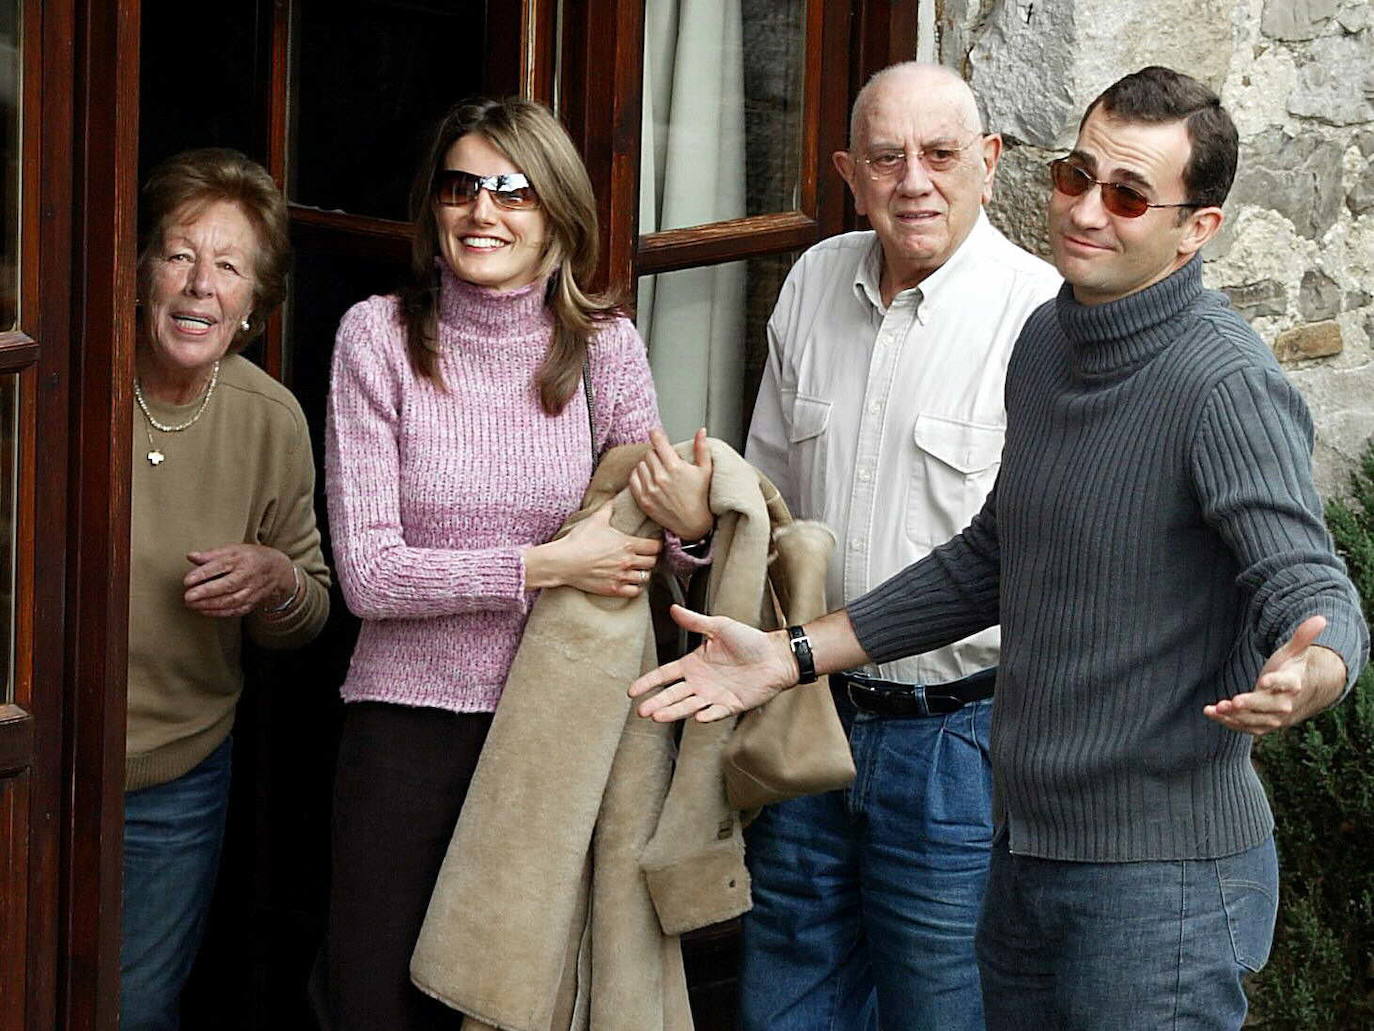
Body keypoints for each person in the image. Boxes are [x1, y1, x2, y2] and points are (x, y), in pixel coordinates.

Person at [632, 66, 1369, 1031]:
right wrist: (788, 654)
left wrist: (1314, 666)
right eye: (1076, 174)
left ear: (1198, 229)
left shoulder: (1220, 380)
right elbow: (991, 557)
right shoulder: (1050, 339)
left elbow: (1309, 580)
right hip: (1024, 851)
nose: (1087, 211)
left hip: (1163, 885)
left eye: (1129, 194)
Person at [323, 96, 712, 1030]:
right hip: (406, 724)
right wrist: (546, 564)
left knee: (527, 999)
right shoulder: (376, 337)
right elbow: (369, 572)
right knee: (375, 997)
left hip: (558, 723)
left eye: (513, 191)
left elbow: (651, 550)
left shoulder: (604, 346)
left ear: (557, 216)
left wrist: (690, 528)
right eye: (461, 187)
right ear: (434, 208)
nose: (482, 212)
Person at [740, 61, 1059, 1030]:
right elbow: (772, 503)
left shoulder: (1042, 318)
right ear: (848, 169)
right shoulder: (809, 281)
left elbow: (1033, 562)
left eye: (940, 154)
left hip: (957, 740)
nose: (913, 179)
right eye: (886, 156)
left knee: (943, 1007)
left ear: (990, 163)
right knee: (786, 999)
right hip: (807, 718)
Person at [124, 148, 331, 1030]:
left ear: (254, 303)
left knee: (133, 1012)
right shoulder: (58, 378)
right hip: (28, 756)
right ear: (140, 269)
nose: (199, 285)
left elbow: (311, 605)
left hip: (173, 775)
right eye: (179, 254)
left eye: (229, 266)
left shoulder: (268, 417)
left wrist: (276, 578)